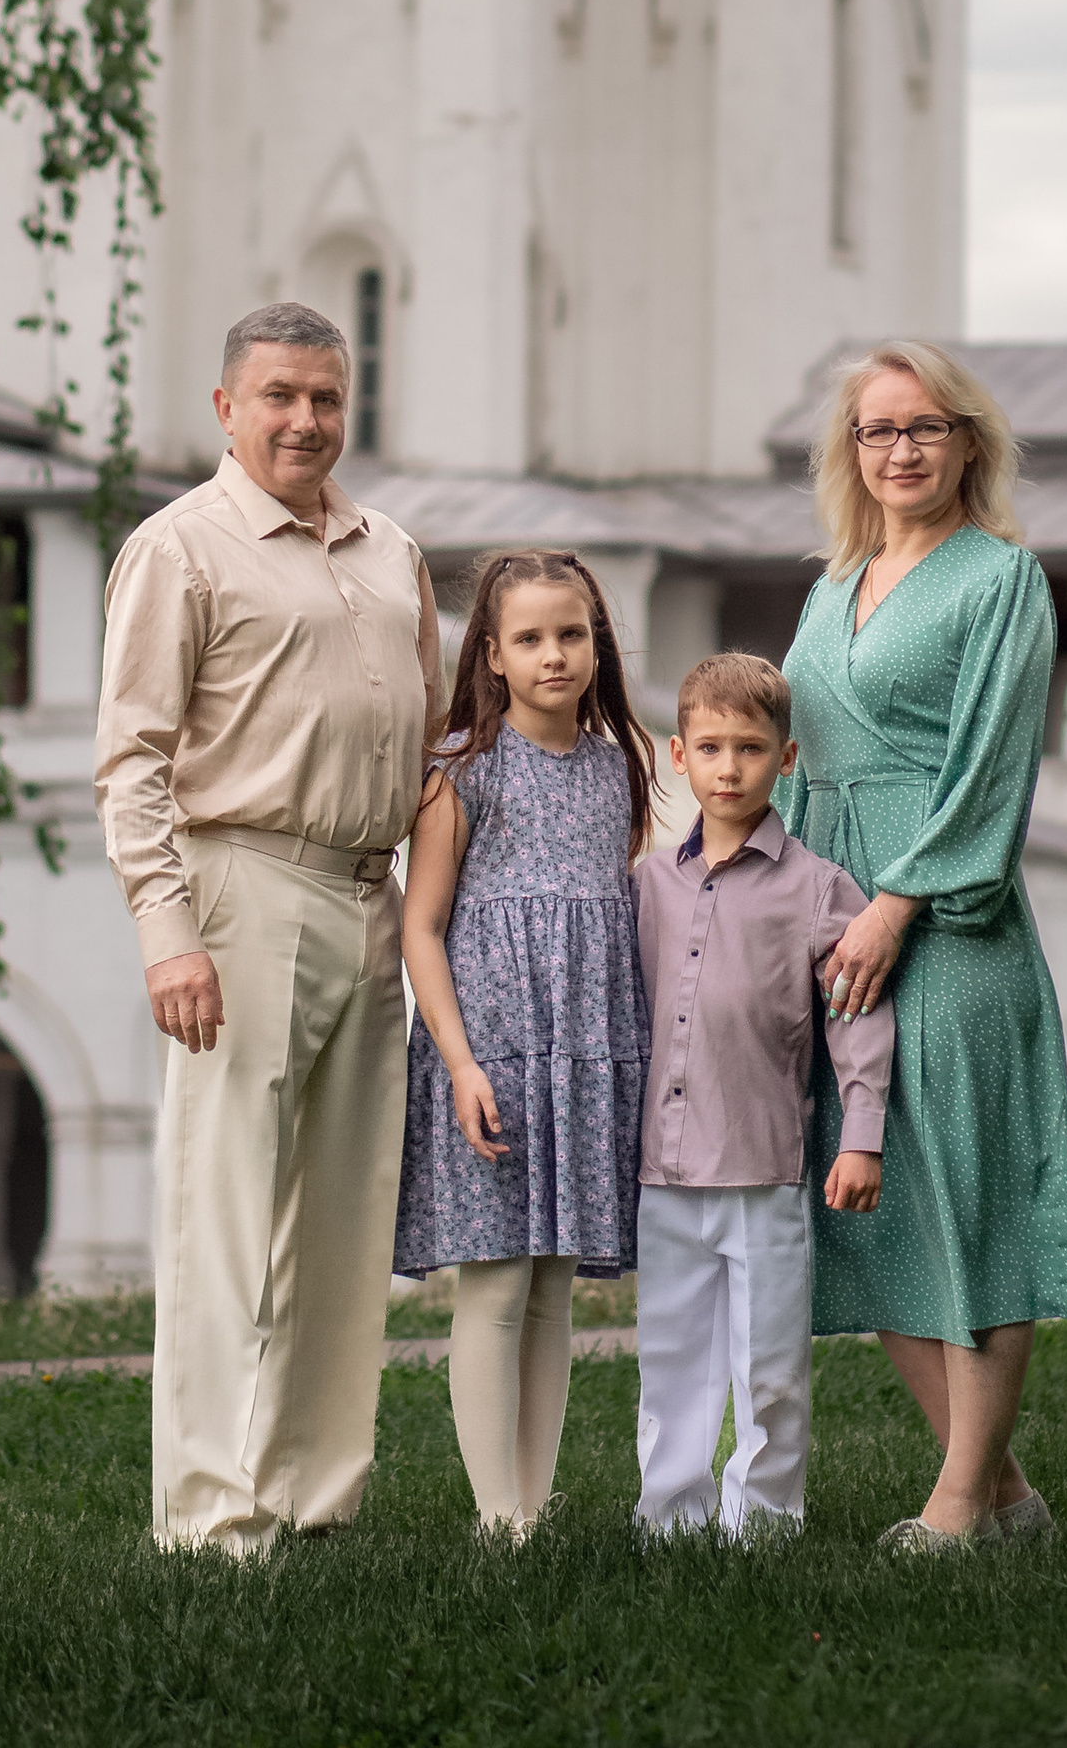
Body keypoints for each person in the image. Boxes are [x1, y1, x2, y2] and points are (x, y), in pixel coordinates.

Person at [95, 302, 445, 1554]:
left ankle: (312, 1498)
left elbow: (433, 740)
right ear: (226, 408)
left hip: (370, 896)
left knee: (346, 1220)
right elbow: (130, 759)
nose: (305, 420)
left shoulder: (391, 549)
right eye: (280, 396)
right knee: (226, 1213)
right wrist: (167, 931)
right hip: (241, 888)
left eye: (325, 398)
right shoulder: (178, 548)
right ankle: (210, 1518)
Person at [778, 337, 1067, 1554]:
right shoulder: (831, 586)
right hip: (831, 922)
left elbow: (991, 769)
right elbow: (794, 760)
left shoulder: (1001, 580)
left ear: (968, 443)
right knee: (866, 1209)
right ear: (850, 450)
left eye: (925, 427)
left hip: (949, 925)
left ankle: (958, 1509)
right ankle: (1006, 1496)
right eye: (879, 429)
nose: (901, 450)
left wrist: (896, 904)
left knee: (969, 1205)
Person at [393, 549, 655, 1536]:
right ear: (492, 655)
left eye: (572, 634)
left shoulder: (615, 768)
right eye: (531, 638)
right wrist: (460, 1065)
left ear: (597, 645)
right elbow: (422, 927)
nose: (555, 655)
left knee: (553, 1289)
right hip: (492, 1059)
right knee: (498, 1282)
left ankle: (532, 1510)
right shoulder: (463, 768)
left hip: (584, 1055)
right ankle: (495, 1515)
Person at [630, 651, 894, 1538]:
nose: (729, 768)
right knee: (671, 1361)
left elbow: (858, 1015)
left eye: (750, 749)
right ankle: (669, 1519)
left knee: (769, 1366)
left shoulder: (818, 888)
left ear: (785, 758)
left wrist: (861, 1136)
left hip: (764, 1168)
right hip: (664, 1174)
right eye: (710, 748)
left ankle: (765, 1527)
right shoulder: (648, 885)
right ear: (678, 756)